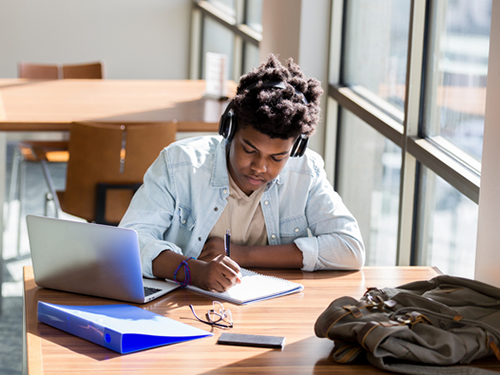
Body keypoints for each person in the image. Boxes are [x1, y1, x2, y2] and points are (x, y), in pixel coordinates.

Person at [119, 54, 365, 293]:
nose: (259, 167)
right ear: (229, 129)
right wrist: (193, 271)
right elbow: (131, 243)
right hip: (185, 306)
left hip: (268, 309)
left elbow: (350, 248)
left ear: (295, 149)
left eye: (277, 158)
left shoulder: (305, 172)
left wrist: (241, 254)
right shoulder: (179, 164)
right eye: (249, 150)